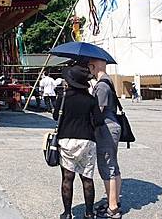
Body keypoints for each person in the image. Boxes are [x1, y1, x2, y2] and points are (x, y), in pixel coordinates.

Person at [53, 64, 104, 219]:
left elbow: (56, 117)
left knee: (67, 178)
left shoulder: (63, 98)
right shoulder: (90, 99)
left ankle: (67, 213)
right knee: (87, 178)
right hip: (87, 140)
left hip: (66, 139)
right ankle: (89, 213)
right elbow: (99, 121)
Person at [88, 58, 123, 218]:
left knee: (107, 165)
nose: (89, 70)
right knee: (113, 166)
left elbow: (98, 111)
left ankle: (113, 207)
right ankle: (112, 200)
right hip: (112, 126)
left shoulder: (101, 86)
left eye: (89, 66)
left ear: (93, 66)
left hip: (106, 129)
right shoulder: (108, 81)